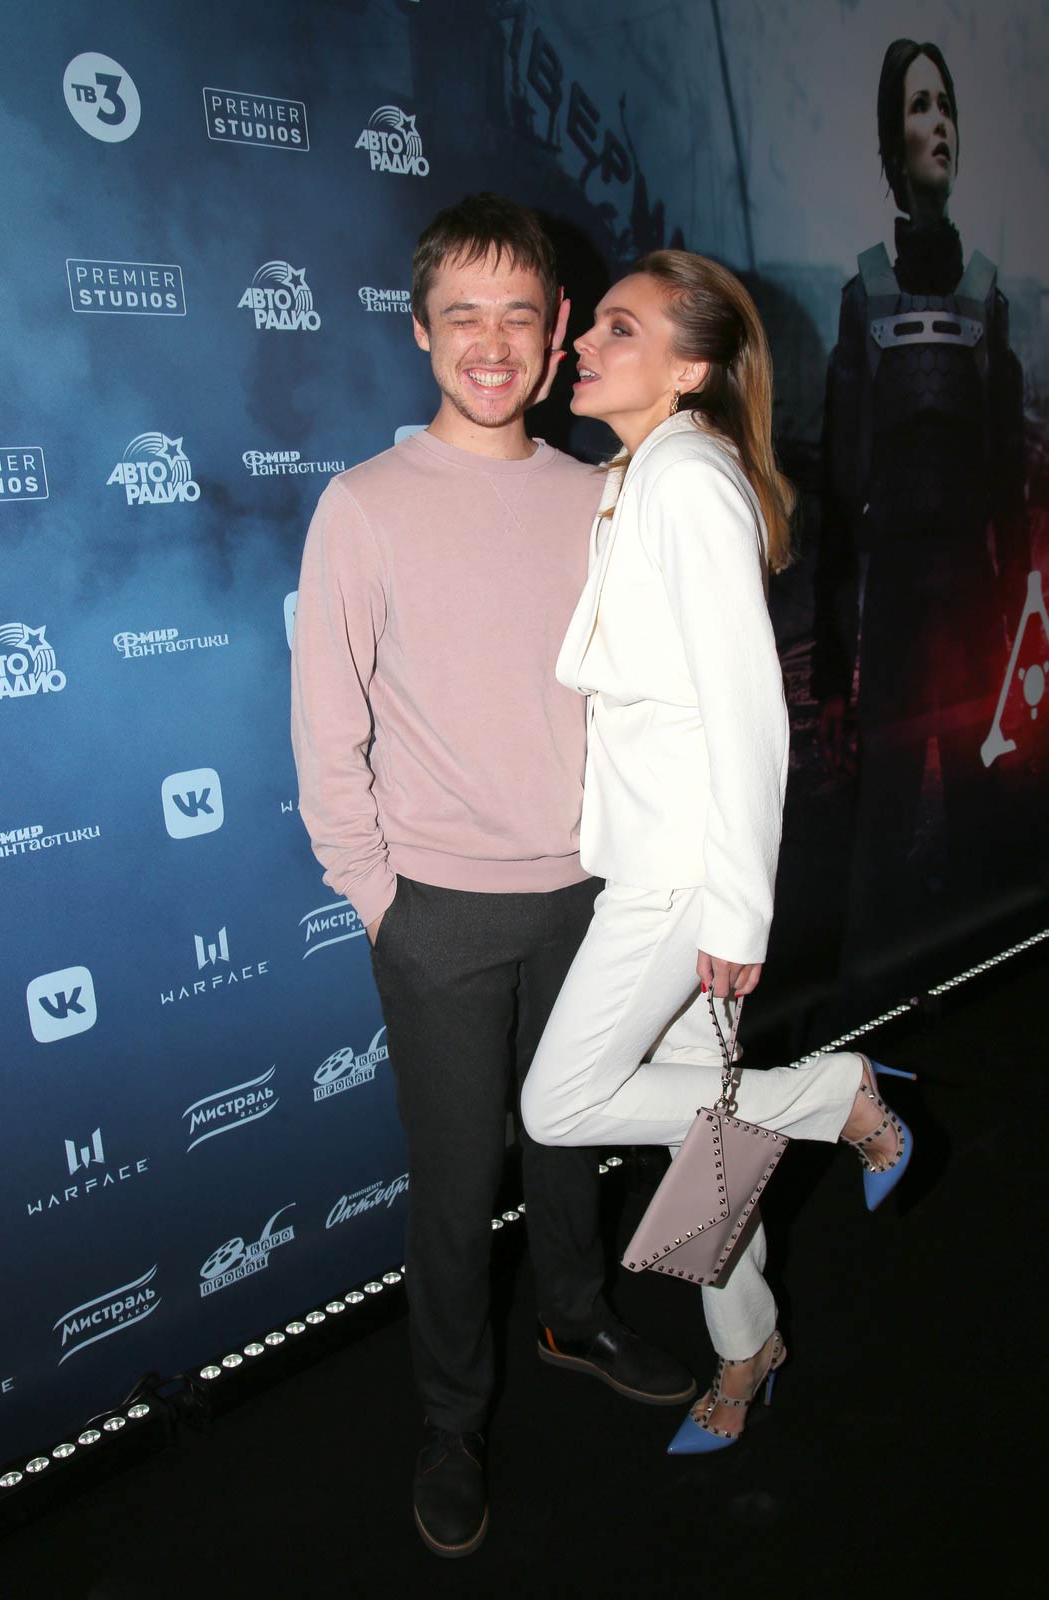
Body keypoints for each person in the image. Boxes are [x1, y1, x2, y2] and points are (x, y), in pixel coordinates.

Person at [291, 194, 694, 1558]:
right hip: (439, 917)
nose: (490, 340)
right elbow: (324, 731)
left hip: (592, 897)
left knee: (571, 1145)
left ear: (557, 328)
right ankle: (451, 1417)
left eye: (518, 313)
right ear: (417, 330)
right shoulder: (362, 506)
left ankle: (574, 1317)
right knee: (458, 1187)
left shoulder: (599, 496)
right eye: (461, 312)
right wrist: (381, 903)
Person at [520, 249, 914, 1453]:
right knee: (706, 1138)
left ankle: (836, 1091)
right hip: (655, 854)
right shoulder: (639, 474)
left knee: (558, 1101)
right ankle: (746, 1346)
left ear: (688, 369)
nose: (582, 344)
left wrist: (736, 911)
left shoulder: (686, 480)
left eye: (620, 330)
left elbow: (749, 712)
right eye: (592, 325)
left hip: (681, 873)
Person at [814, 39, 1027, 975]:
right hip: (896, 614)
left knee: (985, 839)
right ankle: (867, 1020)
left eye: (944, 106)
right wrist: (832, 677)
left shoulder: (987, 296)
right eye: (916, 107)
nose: (936, 125)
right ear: (887, 143)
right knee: (884, 845)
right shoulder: (863, 296)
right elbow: (835, 494)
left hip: (974, 619)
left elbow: (1008, 493)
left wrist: (1020, 646)